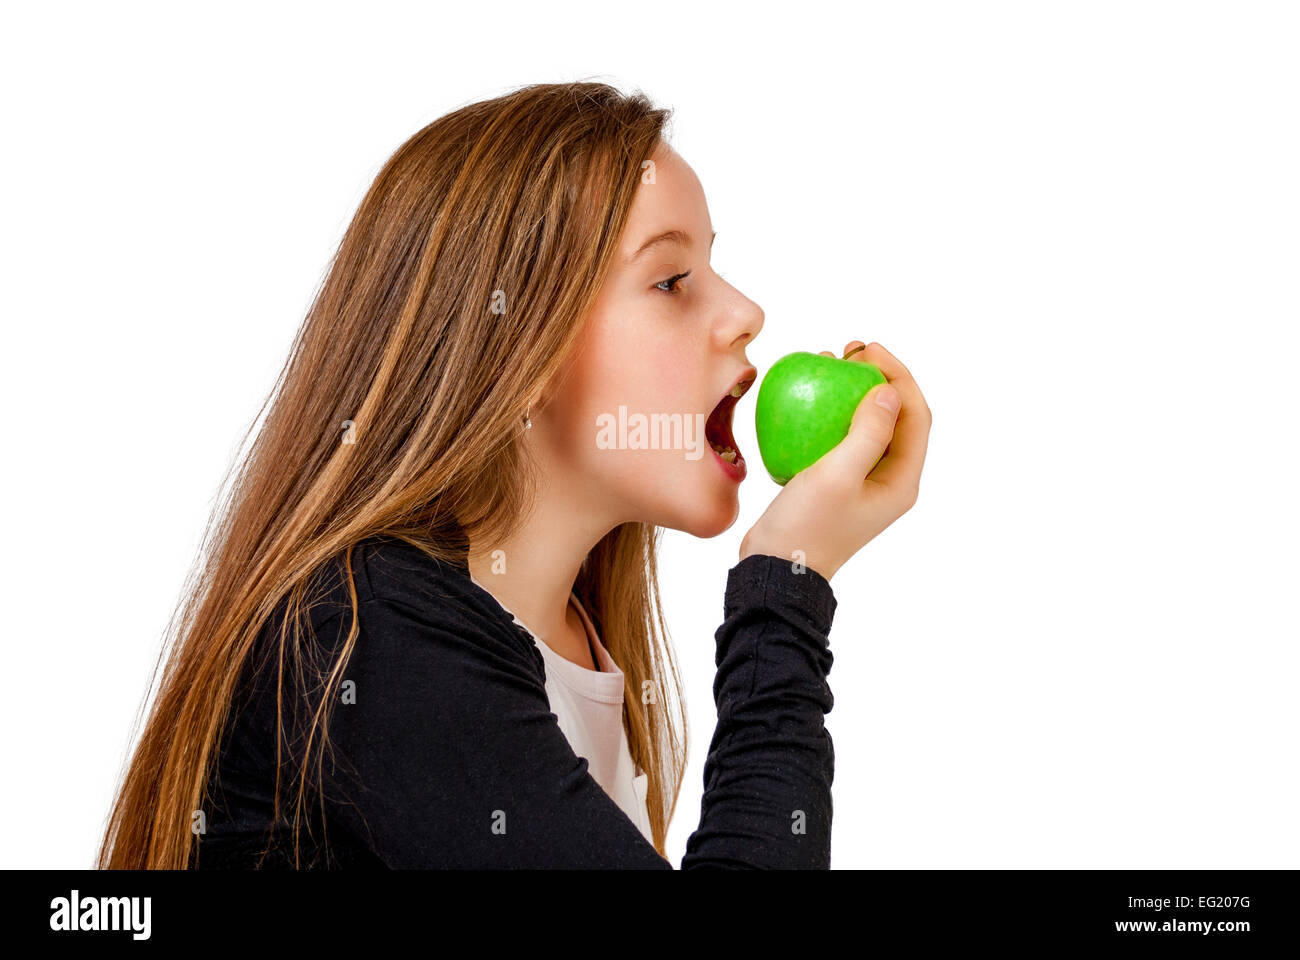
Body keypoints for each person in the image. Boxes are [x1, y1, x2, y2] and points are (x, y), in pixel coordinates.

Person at [97, 81, 931, 869]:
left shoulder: (569, 643)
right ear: (518, 348)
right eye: (671, 281)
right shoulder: (365, 637)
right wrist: (785, 592)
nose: (747, 313)